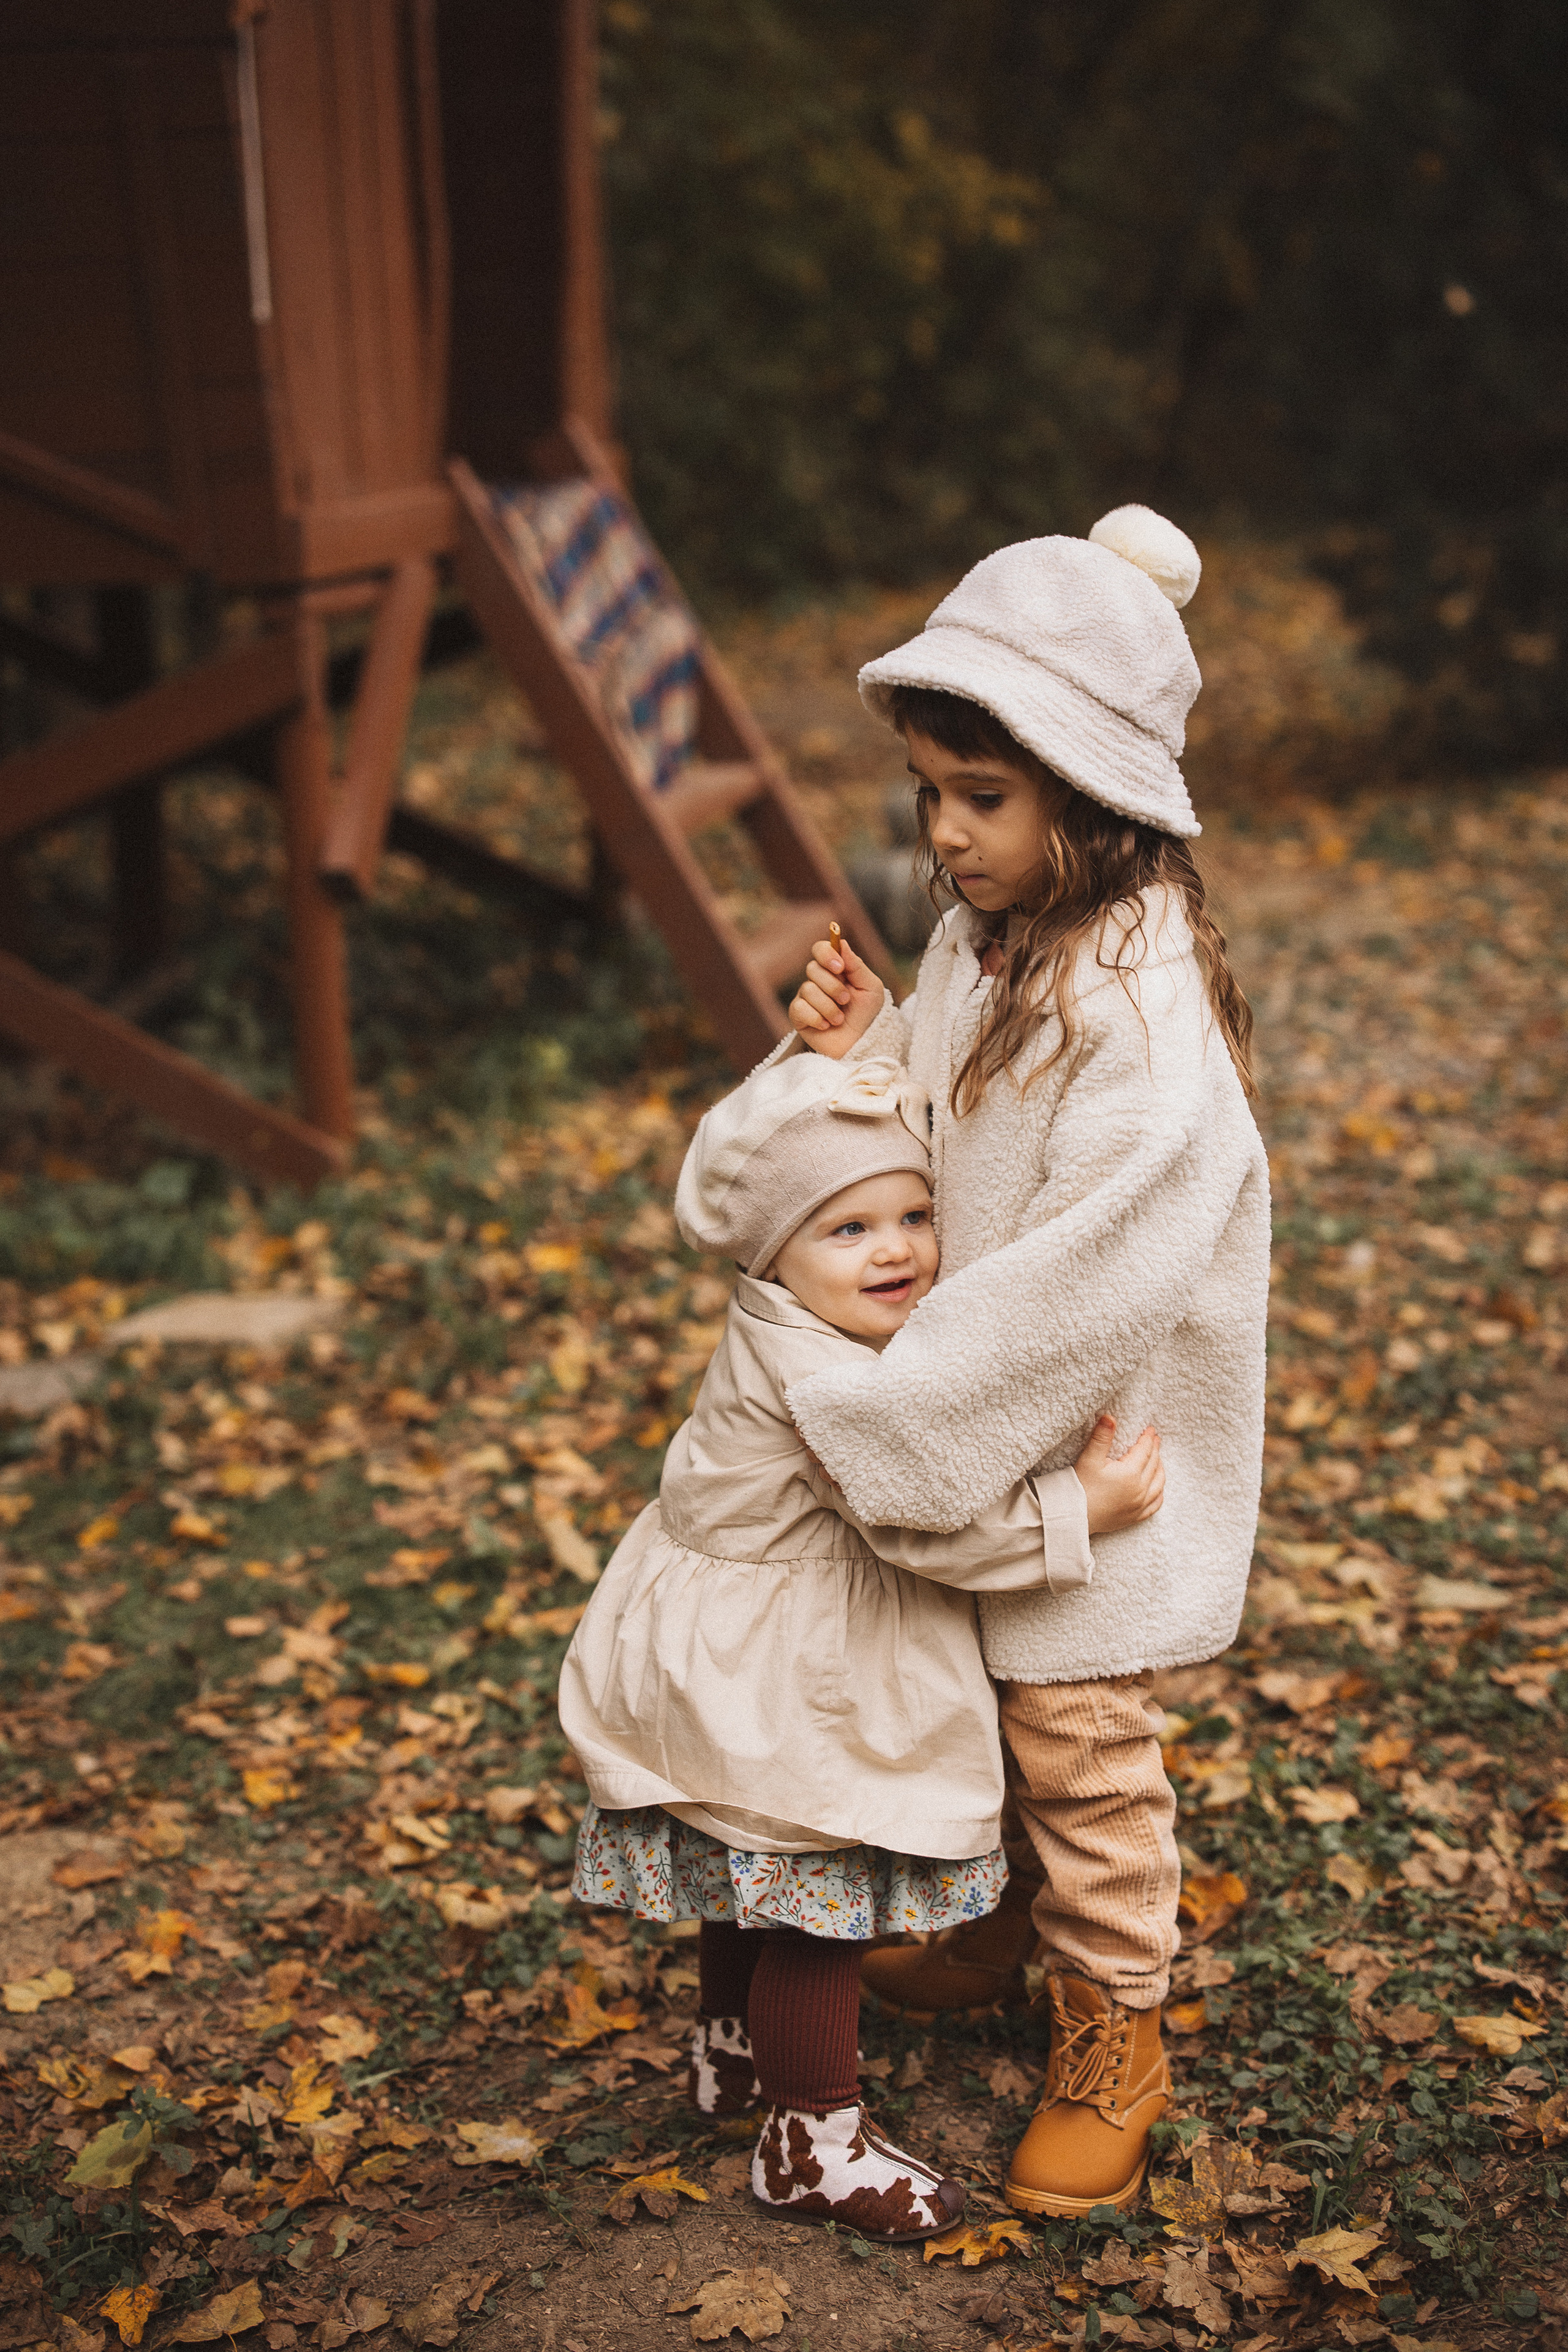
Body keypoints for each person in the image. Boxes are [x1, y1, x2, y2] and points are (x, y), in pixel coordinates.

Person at [784, 504, 1270, 2219]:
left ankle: (1114, 2017)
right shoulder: (995, 941)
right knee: (984, 1698)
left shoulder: (1143, 1016)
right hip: (1002, 1427)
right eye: (931, 794)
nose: (944, 831)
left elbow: (1077, 1281)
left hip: (1096, 1431)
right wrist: (876, 1050)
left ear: (1092, 793)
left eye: (980, 798)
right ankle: (998, 1922)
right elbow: (951, 1099)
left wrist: (903, 1423)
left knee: (1074, 1723)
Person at [559, 1049, 1163, 2242]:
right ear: (769, 1252)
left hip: (713, 1654)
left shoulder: (781, 1325)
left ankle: (730, 2057)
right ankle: (809, 2139)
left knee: (744, 1873)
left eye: (913, 1215)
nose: (893, 1249)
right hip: (783, 1683)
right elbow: (920, 1522)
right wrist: (1071, 1512)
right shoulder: (827, 1381)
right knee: (810, 1902)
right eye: (847, 1228)